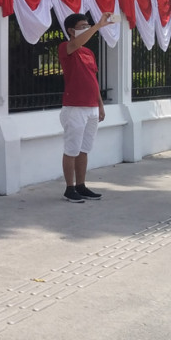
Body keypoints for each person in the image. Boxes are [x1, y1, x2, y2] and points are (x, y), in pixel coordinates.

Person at [58, 12, 111, 203]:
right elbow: (74, 44)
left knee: (84, 149)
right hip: (74, 108)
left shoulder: (88, 53)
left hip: (91, 108)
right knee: (71, 149)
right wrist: (98, 26)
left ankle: (81, 185)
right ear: (71, 30)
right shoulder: (66, 47)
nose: (87, 27)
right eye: (82, 26)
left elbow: (92, 80)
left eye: (87, 25)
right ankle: (69, 188)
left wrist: (100, 105)